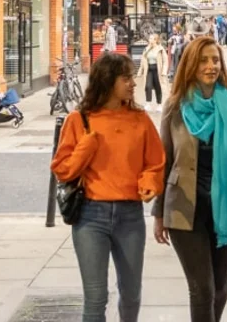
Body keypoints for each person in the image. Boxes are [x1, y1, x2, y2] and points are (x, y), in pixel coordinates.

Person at [152, 36, 227, 322]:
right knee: (202, 288)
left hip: (225, 206)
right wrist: (158, 213)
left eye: (216, 60)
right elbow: (164, 162)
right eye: (204, 60)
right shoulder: (175, 105)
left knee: (220, 288)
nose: (211, 66)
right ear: (191, 64)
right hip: (183, 208)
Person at [51, 53, 165, 322]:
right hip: (91, 216)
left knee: (131, 294)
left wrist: (149, 182)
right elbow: (62, 168)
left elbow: (156, 162)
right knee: (95, 298)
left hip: (130, 215)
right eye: (125, 77)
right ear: (107, 80)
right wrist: (85, 149)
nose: (132, 83)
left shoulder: (139, 120)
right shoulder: (79, 120)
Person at [137, 33, 167, 112]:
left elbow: (165, 61)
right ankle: (148, 103)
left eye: (151, 38)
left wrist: (164, 71)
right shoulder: (146, 49)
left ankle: (159, 105)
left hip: (158, 70)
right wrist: (140, 71)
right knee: (148, 86)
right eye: (149, 38)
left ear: (155, 40)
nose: (149, 40)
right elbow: (142, 60)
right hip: (149, 70)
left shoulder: (160, 49)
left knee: (158, 87)